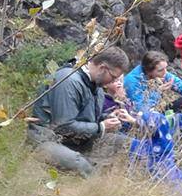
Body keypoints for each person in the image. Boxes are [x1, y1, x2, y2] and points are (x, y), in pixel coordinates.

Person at [28, 47, 133, 177]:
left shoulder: (97, 86)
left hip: (79, 142)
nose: (114, 82)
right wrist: (101, 127)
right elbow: (62, 126)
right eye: (113, 77)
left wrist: (108, 117)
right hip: (48, 140)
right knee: (80, 164)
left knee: (127, 144)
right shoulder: (68, 80)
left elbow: (88, 118)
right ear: (102, 68)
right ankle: (97, 190)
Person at [102, 76, 182, 196]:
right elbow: (142, 109)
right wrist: (157, 93)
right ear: (105, 84)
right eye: (114, 81)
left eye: (120, 81)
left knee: (177, 119)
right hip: (137, 133)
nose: (119, 84)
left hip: (144, 126)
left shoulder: (123, 98)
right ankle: (178, 167)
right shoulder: (112, 97)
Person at [123, 50, 182, 126]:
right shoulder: (132, 82)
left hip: (156, 111)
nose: (165, 73)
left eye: (166, 68)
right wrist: (158, 91)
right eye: (161, 70)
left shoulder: (163, 74)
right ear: (149, 71)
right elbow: (143, 110)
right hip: (139, 119)